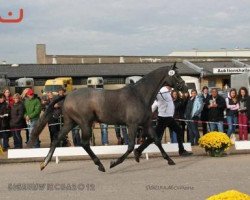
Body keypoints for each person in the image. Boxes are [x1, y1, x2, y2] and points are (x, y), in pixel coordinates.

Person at [151, 86, 192, 156]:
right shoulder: (161, 94)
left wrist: (184, 96)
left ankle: (181, 150)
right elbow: (154, 106)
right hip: (163, 118)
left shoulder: (169, 94)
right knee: (158, 135)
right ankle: (140, 149)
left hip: (169, 118)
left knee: (179, 131)